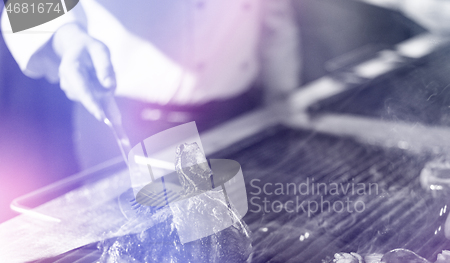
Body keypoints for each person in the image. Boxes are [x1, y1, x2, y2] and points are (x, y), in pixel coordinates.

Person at [2, 0, 301, 169]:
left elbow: (274, 12)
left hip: (240, 116)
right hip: (128, 127)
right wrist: (67, 41)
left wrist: (281, 94)